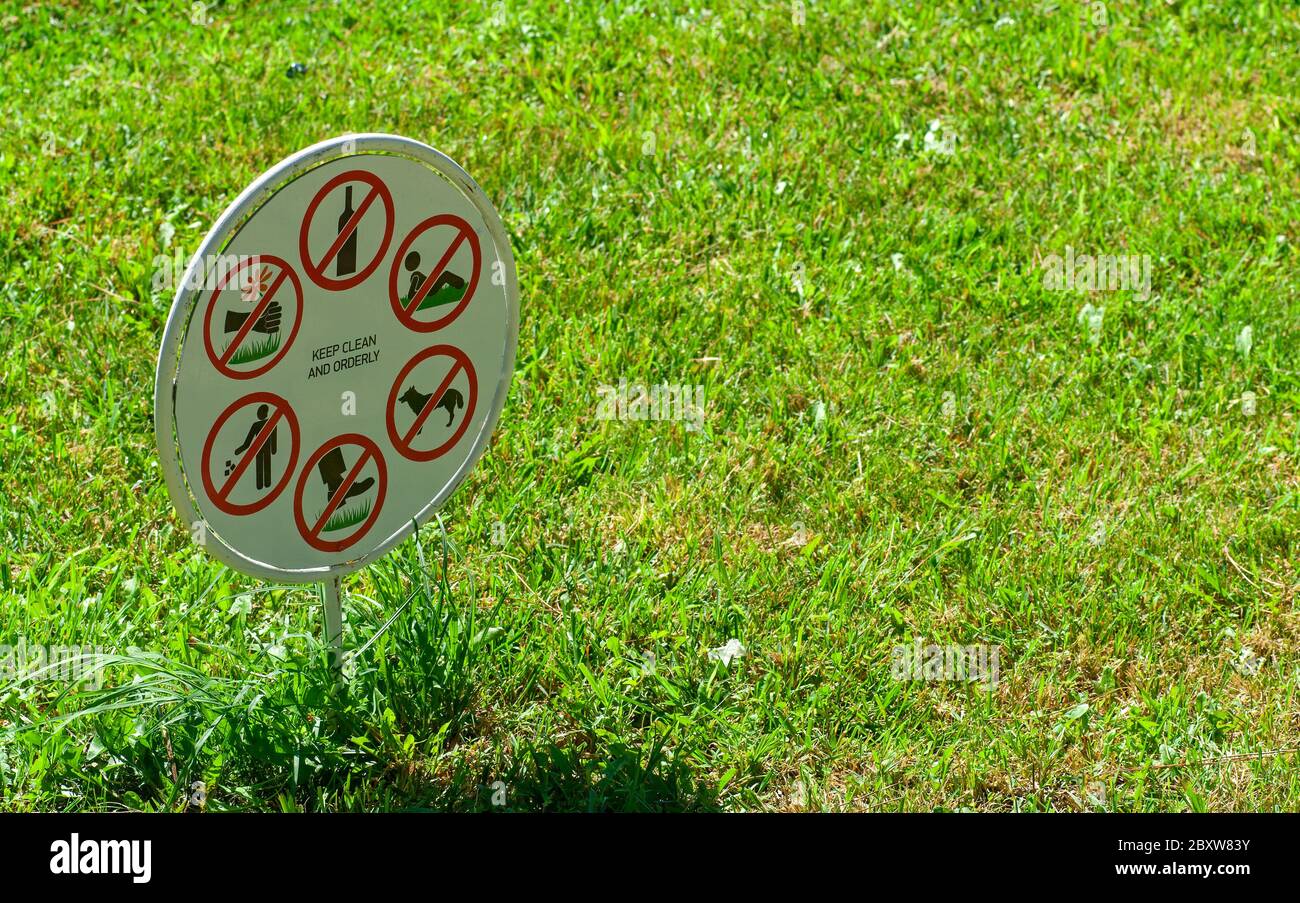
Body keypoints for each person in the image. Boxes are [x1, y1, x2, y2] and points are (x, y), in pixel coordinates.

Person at [233, 404, 276, 490]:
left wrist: (239, 450)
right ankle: (264, 484)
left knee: (263, 466)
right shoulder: (267, 423)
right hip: (260, 450)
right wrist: (273, 450)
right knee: (263, 466)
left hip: (259, 450)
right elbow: (248, 442)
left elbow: (247, 443)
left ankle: (263, 484)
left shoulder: (267, 424)